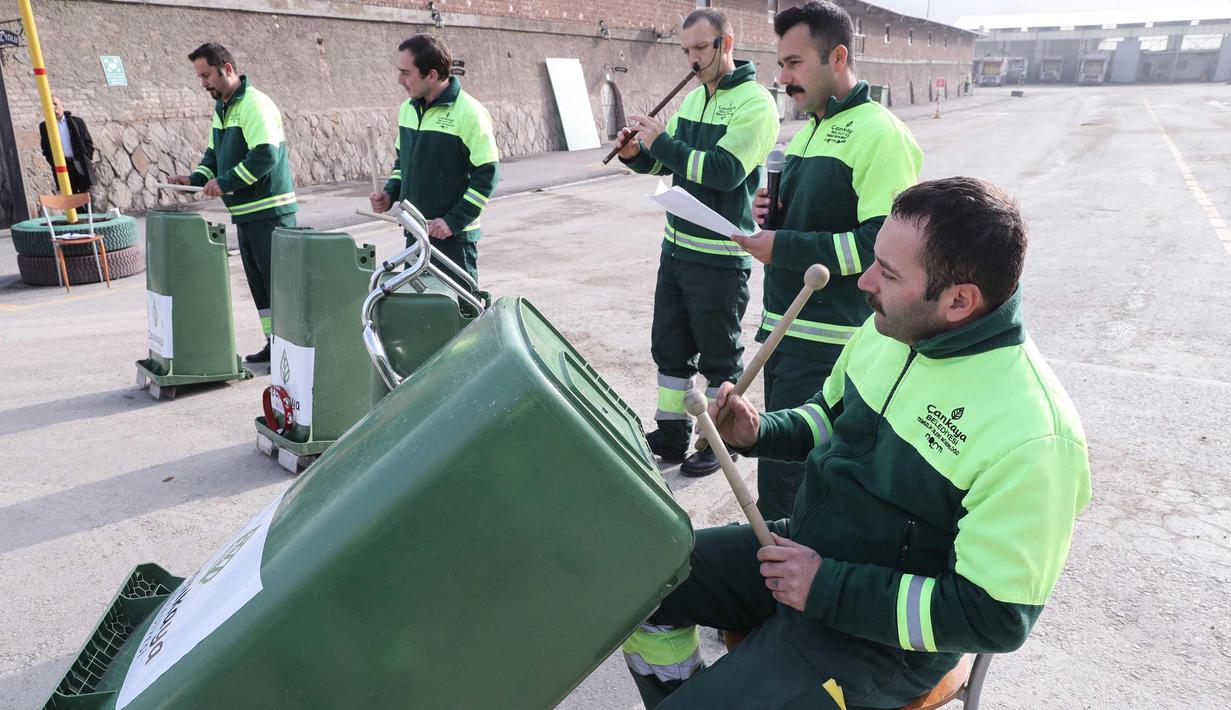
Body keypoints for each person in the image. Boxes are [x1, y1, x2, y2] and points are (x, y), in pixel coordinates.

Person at [621, 176, 1092, 708]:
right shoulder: (890, 328)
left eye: (888, 273)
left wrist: (827, 587)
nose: (865, 282)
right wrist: (759, 431)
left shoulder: (1035, 436)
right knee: (634, 582)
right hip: (802, 551)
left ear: (959, 301)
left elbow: (995, 616)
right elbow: (829, 417)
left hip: (880, 643)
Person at [731, 1, 923, 519]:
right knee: (779, 473)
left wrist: (783, 246)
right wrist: (772, 211)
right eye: (781, 64)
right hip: (784, 332)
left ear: (837, 57)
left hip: (829, 343)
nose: (783, 78)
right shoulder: (809, 130)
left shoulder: (881, 134)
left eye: (794, 63)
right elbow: (815, 218)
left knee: (800, 483)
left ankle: (789, 564)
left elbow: (880, 246)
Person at [615, 8, 778, 477]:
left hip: (719, 258)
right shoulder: (692, 99)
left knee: (719, 357)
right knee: (669, 348)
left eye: (701, 48)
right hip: (677, 249)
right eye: (686, 49)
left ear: (726, 44)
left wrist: (663, 142)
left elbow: (725, 173)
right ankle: (671, 435)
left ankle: (716, 441)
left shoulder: (756, 104)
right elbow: (672, 165)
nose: (692, 59)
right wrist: (636, 153)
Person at [170, 43, 297, 363]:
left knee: (280, 287)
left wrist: (225, 182)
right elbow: (213, 155)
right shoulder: (223, 108)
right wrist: (195, 180)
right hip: (245, 214)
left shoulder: (254, 104)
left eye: (206, 76)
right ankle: (274, 343)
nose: (203, 83)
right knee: (261, 288)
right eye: (200, 77)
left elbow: (265, 155)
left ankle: (293, 350)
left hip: (270, 212)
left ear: (226, 68)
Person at [369, 34, 499, 284]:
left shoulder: (470, 113)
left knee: (458, 307)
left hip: (454, 241)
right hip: (415, 235)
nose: (399, 80)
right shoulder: (407, 110)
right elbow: (403, 165)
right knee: (420, 306)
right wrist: (389, 194)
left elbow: (487, 175)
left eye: (406, 73)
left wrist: (453, 221)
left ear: (431, 75)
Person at [39, 97, 95, 195]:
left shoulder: (77, 122)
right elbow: (45, 148)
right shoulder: (45, 126)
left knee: (86, 196)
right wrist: (53, 162)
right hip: (63, 167)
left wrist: (86, 157)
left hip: (80, 164)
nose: (53, 107)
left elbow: (88, 142)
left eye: (55, 104)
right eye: (50, 105)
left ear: (62, 106)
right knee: (70, 197)